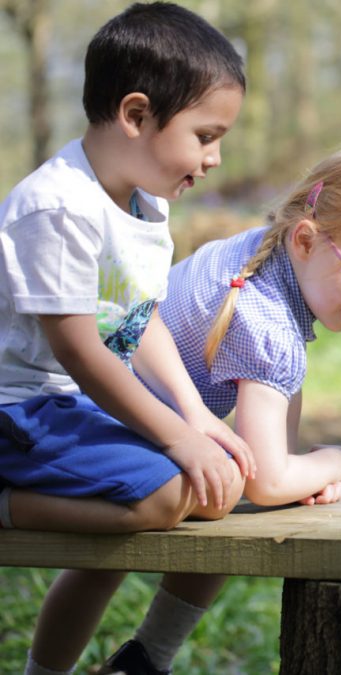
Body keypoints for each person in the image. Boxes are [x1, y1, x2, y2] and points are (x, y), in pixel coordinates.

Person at [0, 4, 253, 674]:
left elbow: (140, 322)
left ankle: (138, 661)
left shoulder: (145, 201)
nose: (215, 156)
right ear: (136, 115)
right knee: (167, 493)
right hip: (19, 410)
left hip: (68, 408)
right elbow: (80, 351)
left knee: (223, 481)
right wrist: (174, 437)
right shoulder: (56, 207)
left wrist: (194, 416)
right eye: (205, 134)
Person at [161, 147, 341, 507]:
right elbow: (267, 483)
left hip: (127, 418)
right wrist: (340, 463)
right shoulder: (268, 324)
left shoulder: (259, 254)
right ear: (305, 240)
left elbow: (279, 467)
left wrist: (303, 476)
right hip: (108, 425)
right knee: (218, 491)